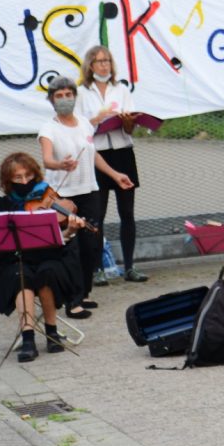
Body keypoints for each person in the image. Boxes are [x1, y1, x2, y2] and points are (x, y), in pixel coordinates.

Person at [38, 79, 130, 320]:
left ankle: (85, 292)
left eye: (68, 94)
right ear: (51, 99)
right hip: (63, 196)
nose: (65, 99)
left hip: (89, 190)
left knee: (92, 244)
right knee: (72, 247)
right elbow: (46, 160)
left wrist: (115, 175)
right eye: (59, 95)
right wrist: (61, 164)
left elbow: (93, 154)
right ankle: (73, 301)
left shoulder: (84, 124)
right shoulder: (48, 128)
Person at [0, 150, 86, 363]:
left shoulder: (49, 197)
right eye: (18, 177)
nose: (25, 182)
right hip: (16, 259)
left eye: (29, 176)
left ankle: (52, 332)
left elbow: (62, 238)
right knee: (21, 275)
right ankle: (28, 338)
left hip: (50, 257)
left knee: (47, 272)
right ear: (8, 181)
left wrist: (70, 230)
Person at [76, 45, 150, 284]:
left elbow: (130, 129)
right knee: (98, 214)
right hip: (97, 155)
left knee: (127, 212)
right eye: (99, 61)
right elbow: (78, 127)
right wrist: (97, 119)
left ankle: (129, 267)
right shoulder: (81, 92)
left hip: (122, 152)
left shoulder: (121, 89)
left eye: (107, 61)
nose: (104, 65)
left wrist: (127, 121)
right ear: (90, 65)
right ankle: (97, 269)